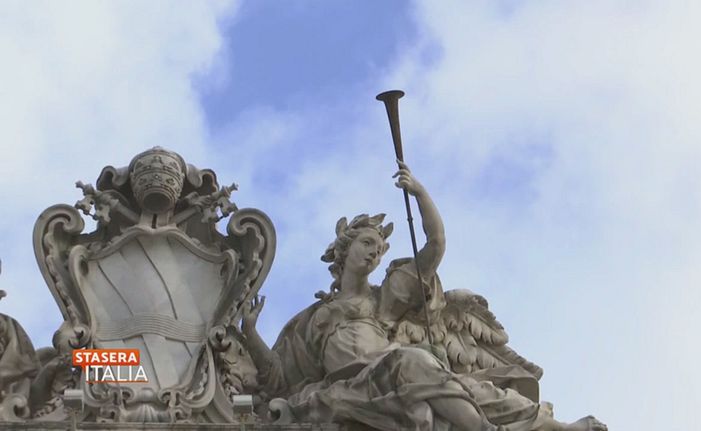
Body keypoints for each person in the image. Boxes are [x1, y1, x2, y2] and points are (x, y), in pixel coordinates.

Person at [242, 162, 607, 431]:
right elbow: (276, 377)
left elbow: (436, 245)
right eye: (367, 243)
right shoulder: (315, 319)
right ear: (344, 248)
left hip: (394, 374)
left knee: (473, 389)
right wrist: (250, 331)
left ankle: (557, 428)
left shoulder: (383, 301)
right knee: (417, 364)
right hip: (353, 386)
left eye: (379, 250)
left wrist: (420, 194)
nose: (374, 253)